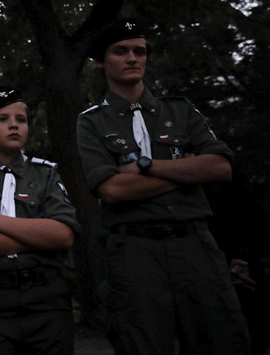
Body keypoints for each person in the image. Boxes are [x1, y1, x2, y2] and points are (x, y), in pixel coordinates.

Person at [76, 19, 250, 354]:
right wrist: (186, 170)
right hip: (135, 252)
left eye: (139, 51)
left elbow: (220, 167)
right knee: (142, 344)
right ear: (101, 61)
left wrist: (146, 166)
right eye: (121, 51)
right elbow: (112, 190)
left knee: (222, 341)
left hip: (195, 245)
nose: (132, 58)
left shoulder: (181, 110)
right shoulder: (92, 121)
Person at [0, 87, 79, 354]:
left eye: (21, 120)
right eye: (2, 119)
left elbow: (63, 235)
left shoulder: (46, 173)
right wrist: (39, 237)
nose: (14, 125)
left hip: (46, 299)